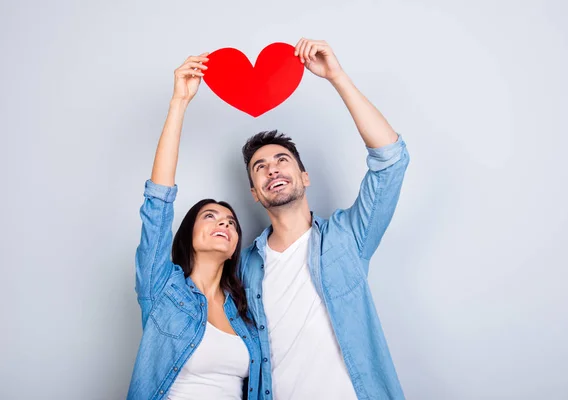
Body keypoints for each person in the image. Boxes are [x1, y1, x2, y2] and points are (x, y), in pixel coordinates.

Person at [239, 38, 411, 399]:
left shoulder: (348, 237)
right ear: (254, 192)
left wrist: (336, 76)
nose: (272, 169)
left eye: (282, 160)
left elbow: (390, 159)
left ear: (304, 176)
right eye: (260, 167)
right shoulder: (243, 266)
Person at [127, 54, 262, 400]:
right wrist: (179, 103)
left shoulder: (245, 309)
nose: (224, 224)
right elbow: (157, 203)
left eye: (230, 222)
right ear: (188, 234)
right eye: (211, 217)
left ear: (235, 245)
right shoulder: (163, 288)